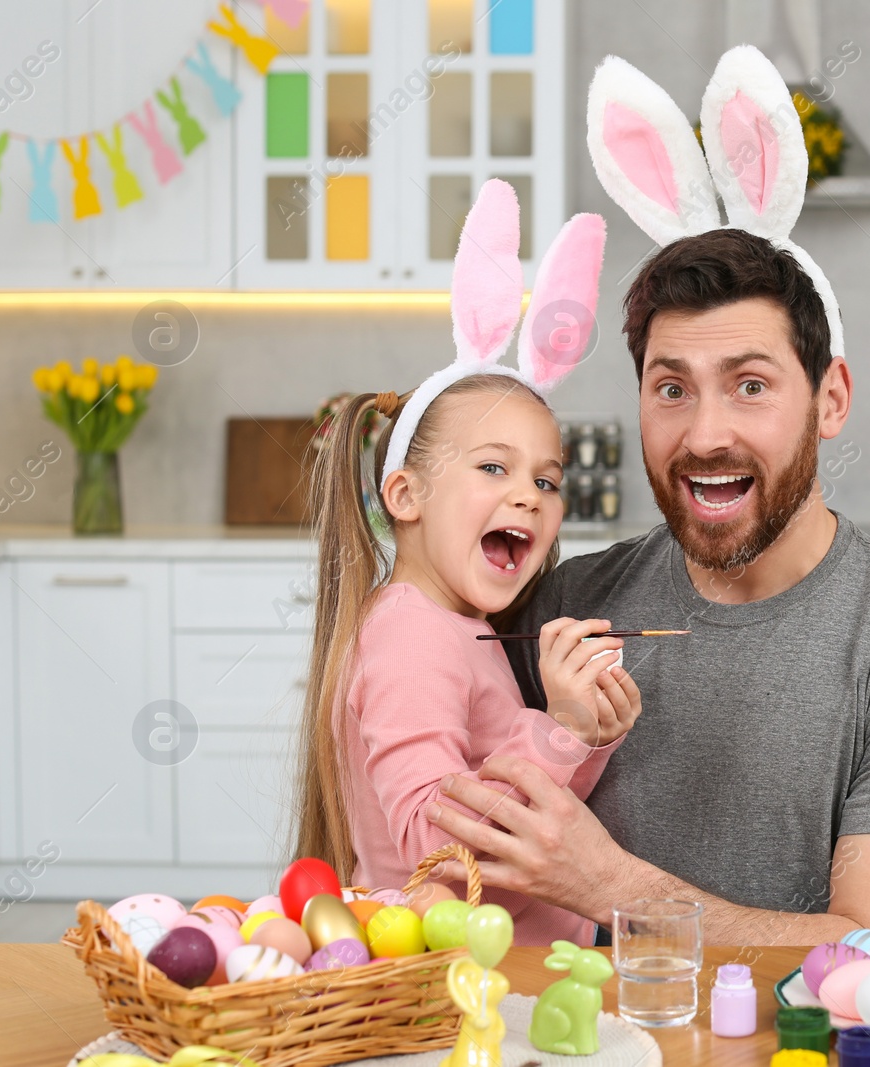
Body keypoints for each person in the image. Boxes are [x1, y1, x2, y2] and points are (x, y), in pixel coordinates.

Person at [426, 47, 870, 945]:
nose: (703, 435)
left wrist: (607, 881)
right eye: (671, 388)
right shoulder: (564, 606)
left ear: (833, 398)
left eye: (750, 384)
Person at [292, 181, 640, 945]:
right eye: (493, 468)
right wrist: (557, 729)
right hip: (463, 983)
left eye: (548, 480)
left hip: (511, 971)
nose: (529, 496)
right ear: (405, 493)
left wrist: (585, 736)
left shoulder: (455, 625)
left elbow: (529, 824)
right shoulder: (410, 635)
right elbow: (431, 846)